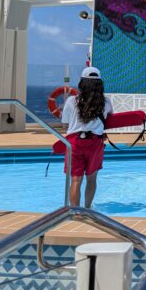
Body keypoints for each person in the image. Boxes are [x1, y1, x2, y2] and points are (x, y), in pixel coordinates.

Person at [61, 66, 113, 208]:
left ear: (82, 83)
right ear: (100, 84)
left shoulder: (71, 101)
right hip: (95, 143)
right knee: (91, 179)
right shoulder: (106, 102)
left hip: (75, 143)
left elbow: (65, 123)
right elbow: (109, 121)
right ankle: (88, 209)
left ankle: (76, 213)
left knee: (76, 180)